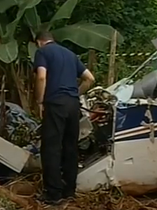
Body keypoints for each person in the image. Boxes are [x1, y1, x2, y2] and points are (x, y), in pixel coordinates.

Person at [33, 31, 95, 205]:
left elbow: (42, 76)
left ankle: (53, 194)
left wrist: (39, 100)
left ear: (39, 42)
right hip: (73, 105)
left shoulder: (42, 52)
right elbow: (89, 78)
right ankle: (69, 191)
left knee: (51, 147)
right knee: (70, 146)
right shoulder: (70, 54)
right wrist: (75, 93)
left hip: (55, 104)